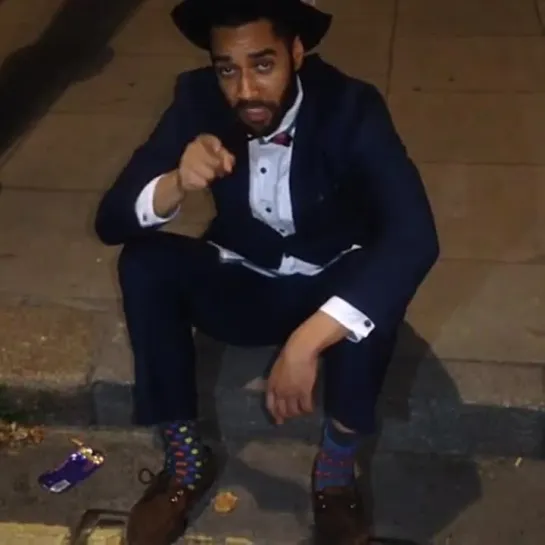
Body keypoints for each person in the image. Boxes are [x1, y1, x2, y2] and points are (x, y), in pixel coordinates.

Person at [94, 0, 439, 543]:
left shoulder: (351, 106)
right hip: (243, 277)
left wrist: (306, 343)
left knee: (371, 295)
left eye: (262, 64)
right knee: (143, 263)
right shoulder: (197, 99)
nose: (245, 91)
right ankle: (185, 462)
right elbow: (112, 221)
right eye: (227, 69)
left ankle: (335, 472)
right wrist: (175, 183)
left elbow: (416, 235)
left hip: (328, 281)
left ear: (296, 52)